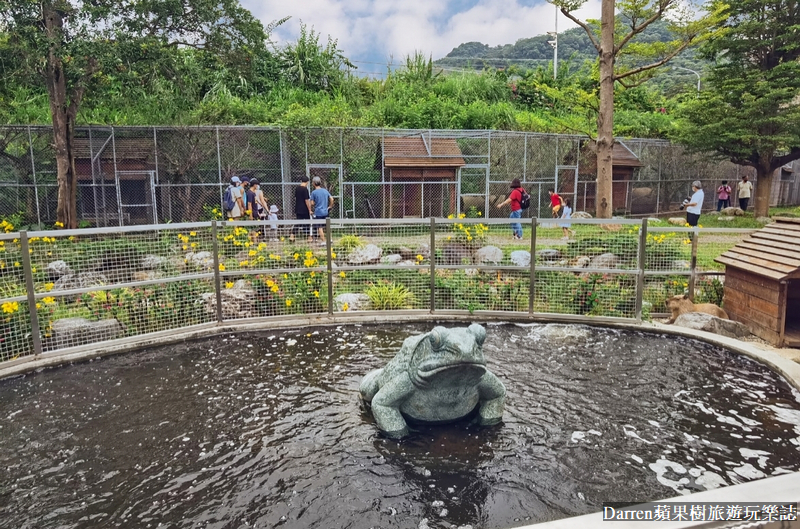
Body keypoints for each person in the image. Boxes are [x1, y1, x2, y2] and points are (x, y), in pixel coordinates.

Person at [309, 177, 334, 243]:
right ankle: (330, 239)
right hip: (325, 211)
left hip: (318, 212)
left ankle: (323, 241)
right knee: (327, 226)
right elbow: (331, 198)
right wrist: (330, 206)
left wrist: (314, 202)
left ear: (314, 183)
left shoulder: (314, 192)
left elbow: (312, 203)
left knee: (320, 227)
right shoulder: (325, 191)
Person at [292, 176, 313, 242]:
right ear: (307, 182)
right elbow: (306, 200)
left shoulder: (297, 188)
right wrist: (309, 209)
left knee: (298, 222)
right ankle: (309, 237)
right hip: (304, 209)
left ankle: (292, 235)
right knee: (307, 222)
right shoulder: (305, 189)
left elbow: (296, 198)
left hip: (298, 208)